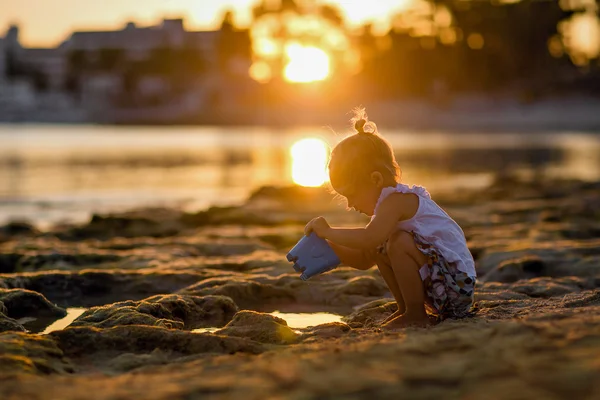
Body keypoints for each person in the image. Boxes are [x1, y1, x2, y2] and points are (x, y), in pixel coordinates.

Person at [305, 108, 476, 329]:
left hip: (456, 287)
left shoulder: (397, 202)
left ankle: (415, 313)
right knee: (383, 246)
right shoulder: (387, 209)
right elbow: (366, 258)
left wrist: (328, 231)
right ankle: (406, 309)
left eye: (351, 195)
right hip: (442, 284)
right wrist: (329, 248)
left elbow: (368, 238)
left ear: (375, 179)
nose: (350, 205)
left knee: (397, 241)